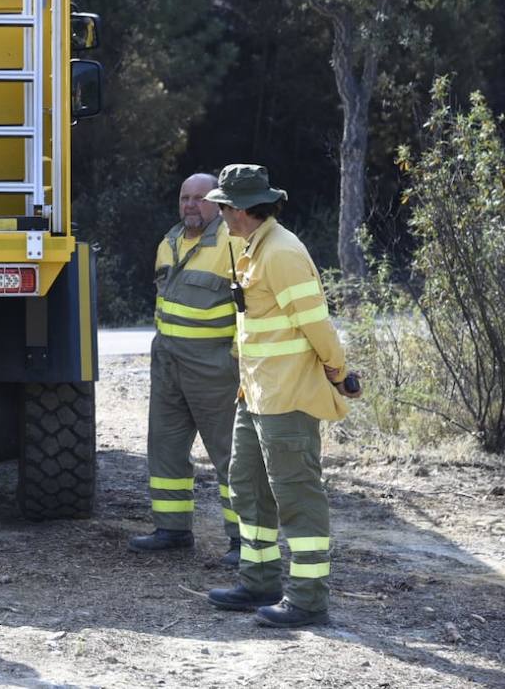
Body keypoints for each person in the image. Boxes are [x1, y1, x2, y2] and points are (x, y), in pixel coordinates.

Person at [203, 164, 361, 628]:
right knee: (247, 484)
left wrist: (340, 372)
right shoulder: (250, 246)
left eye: (224, 206)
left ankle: (309, 601)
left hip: (287, 397)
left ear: (243, 209)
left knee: (296, 494)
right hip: (255, 393)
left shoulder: (283, 252)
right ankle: (259, 580)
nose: (220, 215)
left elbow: (318, 325)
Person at [130, 173, 242, 566]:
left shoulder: (233, 243)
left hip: (213, 367)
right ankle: (172, 530)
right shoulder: (169, 242)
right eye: (184, 198)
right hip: (168, 363)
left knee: (230, 454)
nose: (191, 205)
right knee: (165, 448)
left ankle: (243, 542)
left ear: (217, 201)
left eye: (200, 198)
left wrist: (234, 357)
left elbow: (249, 310)